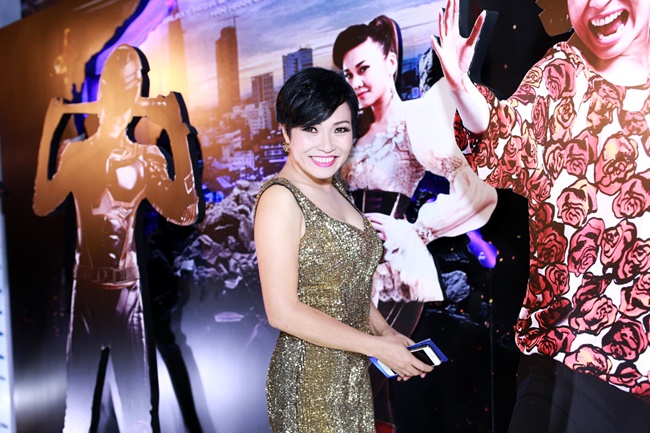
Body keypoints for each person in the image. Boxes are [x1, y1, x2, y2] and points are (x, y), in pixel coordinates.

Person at [432, 0, 650, 431]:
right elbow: (506, 134)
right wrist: (461, 89)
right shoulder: (562, 73)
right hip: (569, 361)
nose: (598, 5)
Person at [254, 67, 433, 433]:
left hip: (351, 374)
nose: (327, 145)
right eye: (311, 129)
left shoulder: (336, 188)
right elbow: (282, 312)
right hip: (310, 383)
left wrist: (385, 333)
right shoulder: (280, 199)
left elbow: (347, 287)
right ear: (286, 133)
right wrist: (376, 347)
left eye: (339, 129)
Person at [33, 44, 201, 433]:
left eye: (136, 85)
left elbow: (185, 212)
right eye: (124, 84)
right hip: (86, 292)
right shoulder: (75, 154)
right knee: (77, 414)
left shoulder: (146, 158)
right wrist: (49, 134)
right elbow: (42, 204)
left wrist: (176, 133)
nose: (130, 94)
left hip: (128, 293)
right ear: (106, 88)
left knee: (139, 418)